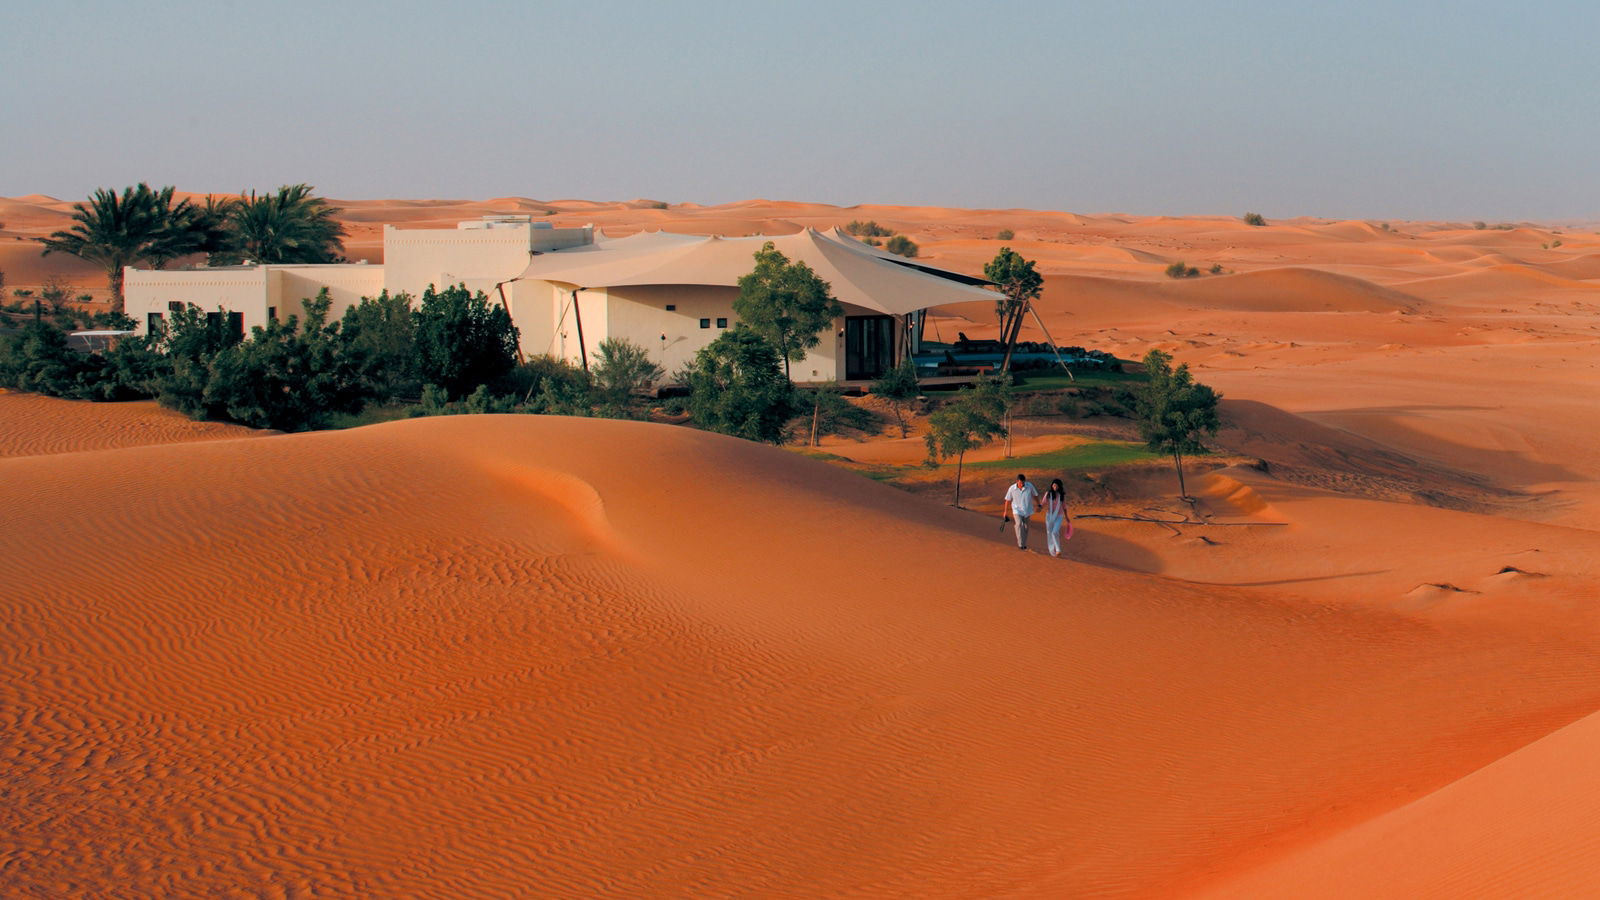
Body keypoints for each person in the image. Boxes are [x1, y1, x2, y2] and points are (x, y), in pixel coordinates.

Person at [1002, 473, 1041, 550]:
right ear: (1017, 481)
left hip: (1027, 510)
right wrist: (1005, 512)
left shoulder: (1029, 486)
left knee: (1026, 527)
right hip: (1017, 510)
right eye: (1020, 482)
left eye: (1023, 482)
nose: (1022, 484)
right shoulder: (1012, 488)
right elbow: (1007, 500)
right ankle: (1020, 544)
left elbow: (1035, 495)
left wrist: (1038, 504)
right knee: (1019, 524)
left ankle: (1024, 544)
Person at [1043, 478, 1073, 558]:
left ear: (1059, 486)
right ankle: (1052, 550)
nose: (1055, 486)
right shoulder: (1048, 494)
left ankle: (1058, 550)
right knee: (1049, 532)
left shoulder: (1061, 495)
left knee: (1055, 532)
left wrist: (1066, 517)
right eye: (1053, 485)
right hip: (1049, 516)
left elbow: (1064, 507)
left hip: (1058, 516)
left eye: (1056, 485)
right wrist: (1038, 507)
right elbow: (1043, 503)